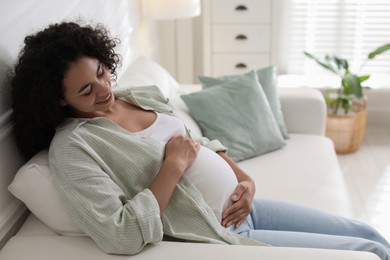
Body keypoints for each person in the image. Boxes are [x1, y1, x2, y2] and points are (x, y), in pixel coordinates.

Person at [10, 21, 390, 259]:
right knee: (367, 252)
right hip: (219, 231)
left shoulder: (135, 96)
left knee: (369, 233)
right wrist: (171, 168)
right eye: (86, 90)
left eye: (103, 72)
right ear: (59, 99)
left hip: (247, 208)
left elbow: (197, 141)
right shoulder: (74, 149)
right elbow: (120, 234)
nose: (105, 89)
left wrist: (244, 179)